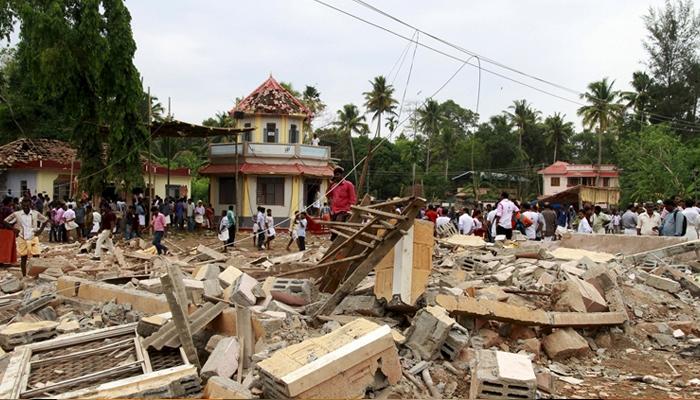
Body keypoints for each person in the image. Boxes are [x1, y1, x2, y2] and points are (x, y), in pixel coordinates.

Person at [3, 198, 49, 276]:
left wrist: (40, 230)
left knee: (36, 256)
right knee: (23, 257)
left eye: (27, 205)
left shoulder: (35, 213)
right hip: (22, 237)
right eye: (23, 205)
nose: (25, 207)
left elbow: (45, 220)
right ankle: (24, 275)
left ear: (30, 205)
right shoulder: (17, 214)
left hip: (33, 236)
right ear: (21, 205)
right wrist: (13, 229)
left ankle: (36, 274)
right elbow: (5, 221)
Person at [327, 167, 356, 240]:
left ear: (342, 175)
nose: (336, 177)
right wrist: (330, 184)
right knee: (333, 227)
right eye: (335, 175)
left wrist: (349, 210)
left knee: (337, 226)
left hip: (344, 210)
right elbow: (327, 195)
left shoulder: (348, 185)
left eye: (338, 174)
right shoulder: (334, 186)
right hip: (334, 210)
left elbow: (352, 199)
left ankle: (334, 240)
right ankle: (334, 242)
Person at [0, 198, 17, 266]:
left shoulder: (1, 208)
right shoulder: (9, 209)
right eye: (11, 202)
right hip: (6, 229)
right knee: (6, 246)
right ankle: (3, 260)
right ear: (9, 202)